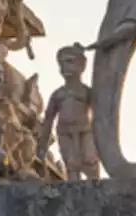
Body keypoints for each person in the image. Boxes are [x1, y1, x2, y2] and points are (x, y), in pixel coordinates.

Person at [38, 44, 100, 181]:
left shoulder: (86, 92)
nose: (66, 67)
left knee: (90, 160)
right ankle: (74, 192)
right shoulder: (58, 94)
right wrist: (42, 145)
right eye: (62, 63)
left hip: (85, 130)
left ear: (81, 65)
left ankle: (95, 191)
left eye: (70, 62)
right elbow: (48, 120)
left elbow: (101, 116)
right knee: (72, 164)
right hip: (65, 131)